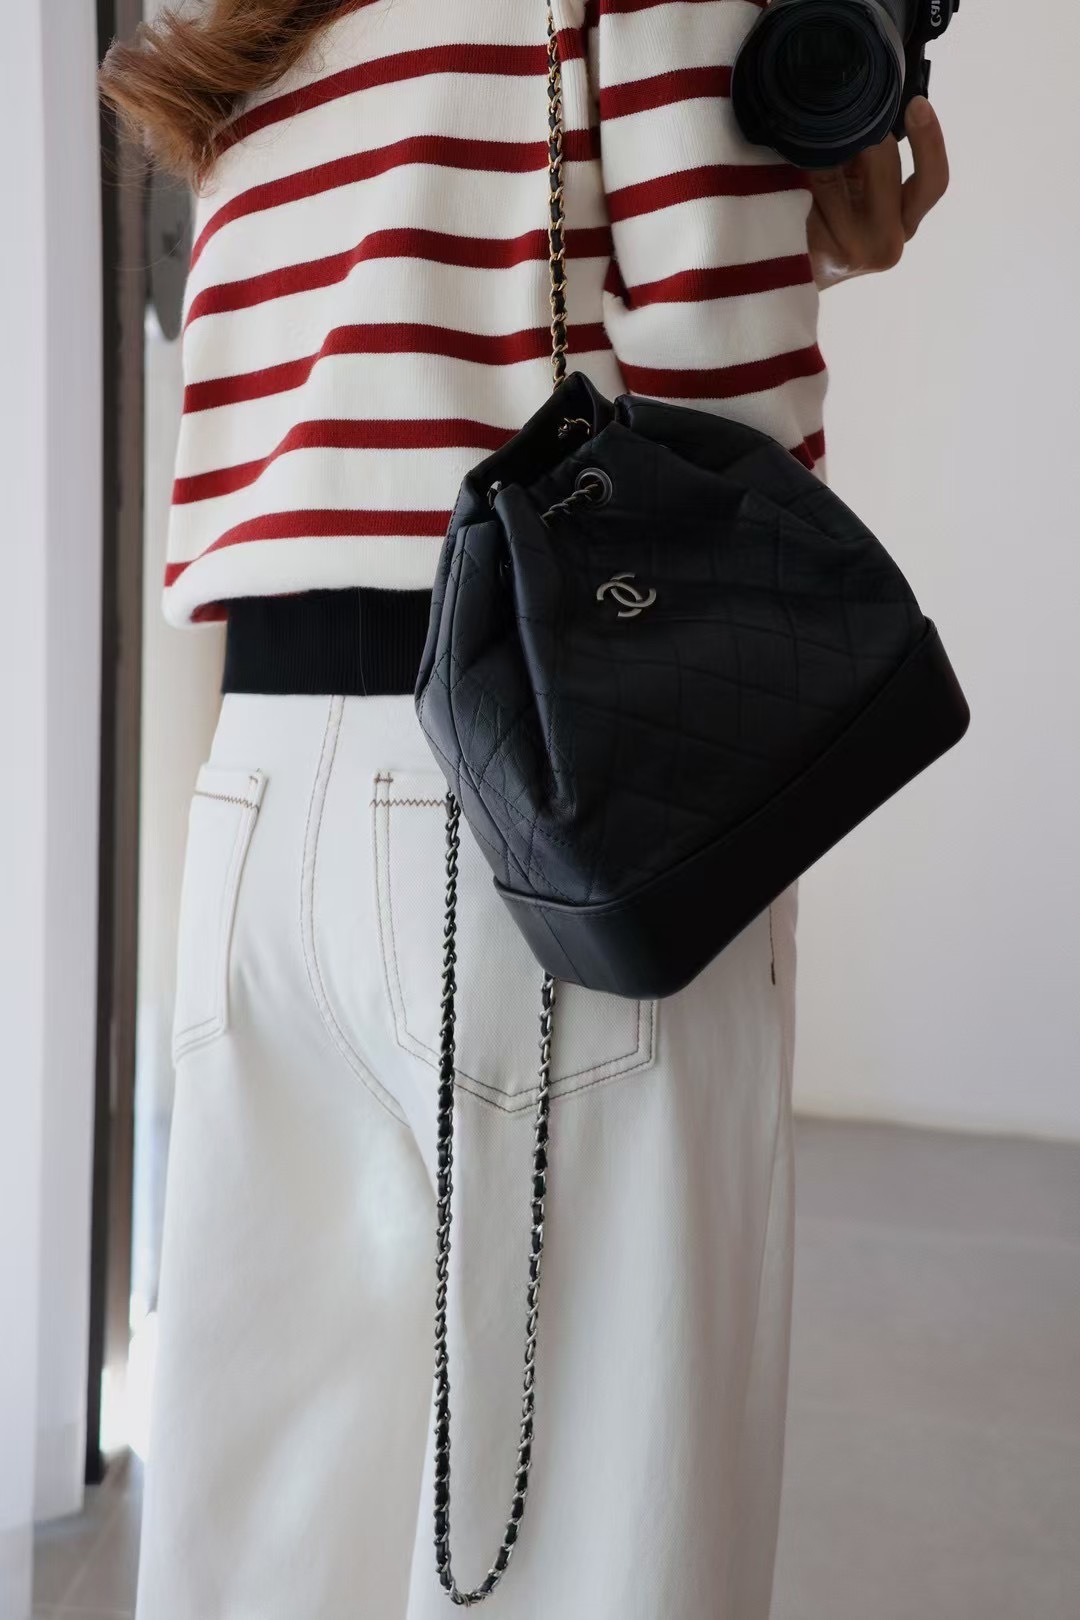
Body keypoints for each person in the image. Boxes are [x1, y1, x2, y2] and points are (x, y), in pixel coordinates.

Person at [100, 3, 949, 1616]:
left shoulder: (245, 28)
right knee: (582, 1548)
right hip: (548, 788)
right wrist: (819, 230)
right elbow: (713, 431)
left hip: (267, 799)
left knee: (272, 1544)